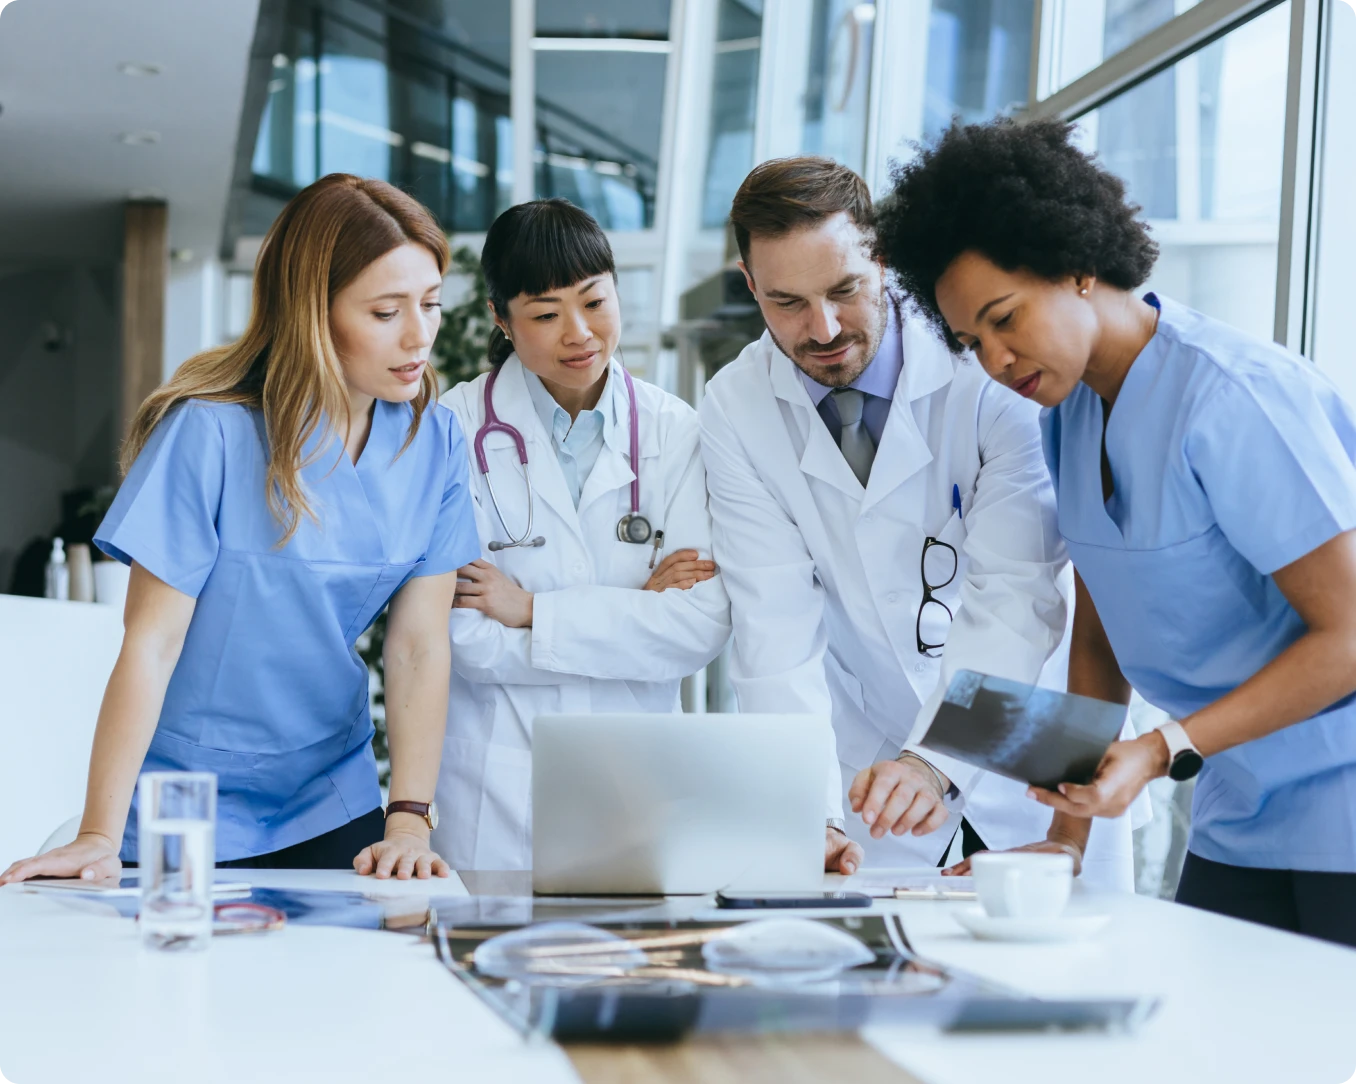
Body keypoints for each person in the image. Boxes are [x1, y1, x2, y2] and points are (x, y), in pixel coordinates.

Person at [872, 115, 1356, 946]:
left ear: (1077, 266)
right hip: (1239, 813)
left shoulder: (1233, 398)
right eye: (969, 341)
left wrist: (1160, 749)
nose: (994, 358)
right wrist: (1065, 840)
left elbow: (1349, 632)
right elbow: (1101, 638)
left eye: (1005, 317)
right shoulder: (1069, 415)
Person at [0, 175, 478, 885]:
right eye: (385, 311)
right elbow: (151, 643)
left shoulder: (432, 441)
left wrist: (408, 815)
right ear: (313, 312)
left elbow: (416, 646)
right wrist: (100, 831)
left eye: (432, 304)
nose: (419, 335)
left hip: (328, 794)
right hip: (183, 795)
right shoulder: (211, 433)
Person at [699, 157, 1143, 886]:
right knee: (883, 979)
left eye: (845, 289)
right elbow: (773, 629)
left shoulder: (989, 369)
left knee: (1066, 977)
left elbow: (1017, 593)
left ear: (882, 258)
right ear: (751, 287)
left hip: (1036, 733)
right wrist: (808, 813)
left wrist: (935, 760)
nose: (824, 328)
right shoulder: (736, 406)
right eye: (786, 303)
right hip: (871, 764)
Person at [431, 199, 731, 870]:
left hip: (640, 786)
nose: (580, 334)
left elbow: (697, 632)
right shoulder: (453, 430)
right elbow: (466, 640)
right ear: (500, 321)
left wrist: (532, 610)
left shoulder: (673, 431)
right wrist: (636, 611)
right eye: (544, 314)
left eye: (595, 301)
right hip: (497, 792)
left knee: (633, 971)